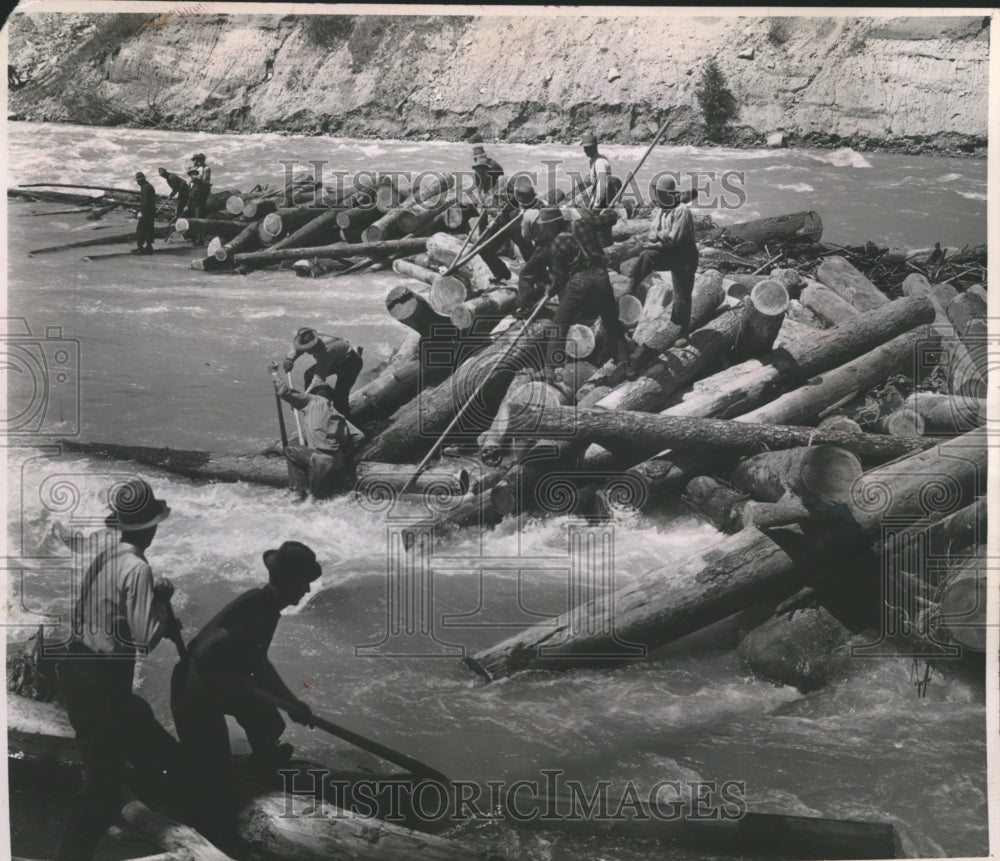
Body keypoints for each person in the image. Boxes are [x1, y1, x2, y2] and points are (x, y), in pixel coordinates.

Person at [56, 479, 182, 861]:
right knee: (100, 787)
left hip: (75, 667)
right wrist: (161, 605)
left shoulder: (105, 555)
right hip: (102, 679)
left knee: (139, 719)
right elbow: (144, 641)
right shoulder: (138, 568)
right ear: (152, 528)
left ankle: (158, 802)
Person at [170, 541, 321, 837]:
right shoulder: (258, 609)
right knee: (213, 780)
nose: (307, 590)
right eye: (304, 583)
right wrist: (233, 682)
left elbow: (259, 662)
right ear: (290, 581)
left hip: (216, 685)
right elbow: (204, 653)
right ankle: (196, 833)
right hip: (194, 691)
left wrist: (291, 703)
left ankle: (259, 767)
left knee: (269, 720)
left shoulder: (266, 606)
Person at [522, 206, 633, 378]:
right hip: (601, 276)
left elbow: (560, 279)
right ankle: (626, 364)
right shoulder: (582, 223)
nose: (544, 229)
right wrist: (610, 212)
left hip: (580, 281)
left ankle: (550, 369)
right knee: (611, 320)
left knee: (560, 323)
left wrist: (550, 292)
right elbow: (609, 219)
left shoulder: (557, 243)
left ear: (553, 224)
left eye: (545, 226)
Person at [268, 370, 365, 499]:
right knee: (321, 500)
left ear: (314, 394)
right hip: (337, 461)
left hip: (321, 462)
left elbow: (283, 391)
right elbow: (359, 436)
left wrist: (274, 373)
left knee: (290, 450)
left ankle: (298, 491)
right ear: (330, 398)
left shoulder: (311, 400)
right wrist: (345, 455)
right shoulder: (336, 413)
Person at [628, 174, 699, 331]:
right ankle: (631, 288)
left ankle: (683, 330)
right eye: (657, 193)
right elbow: (654, 234)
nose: (658, 197)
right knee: (646, 256)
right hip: (667, 251)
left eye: (660, 193)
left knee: (682, 294)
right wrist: (657, 240)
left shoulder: (682, 211)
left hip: (684, 256)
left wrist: (657, 240)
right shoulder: (660, 209)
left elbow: (674, 239)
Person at [280, 328, 363, 417]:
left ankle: (346, 421)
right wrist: (290, 359)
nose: (306, 351)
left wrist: (301, 399)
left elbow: (318, 380)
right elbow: (298, 348)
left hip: (350, 364)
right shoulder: (313, 337)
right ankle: (312, 405)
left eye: (308, 349)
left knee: (340, 401)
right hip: (336, 360)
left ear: (315, 345)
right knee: (309, 374)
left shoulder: (325, 352)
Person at [580, 132, 622, 246]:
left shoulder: (600, 162)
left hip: (603, 199)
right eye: (585, 148)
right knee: (600, 229)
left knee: (601, 229)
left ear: (595, 147)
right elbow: (590, 180)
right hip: (600, 198)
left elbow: (602, 184)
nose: (586, 150)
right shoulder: (595, 160)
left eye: (588, 148)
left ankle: (606, 249)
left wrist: (597, 205)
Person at [187, 153, 211, 245]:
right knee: (194, 215)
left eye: (198, 160)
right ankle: (195, 236)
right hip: (195, 193)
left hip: (201, 194)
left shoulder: (206, 169)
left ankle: (199, 238)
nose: (196, 162)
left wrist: (197, 180)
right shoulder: (196, 169)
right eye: (196, 160)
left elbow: (205, 182)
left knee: (198, 216)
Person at [133, 172, 156, 254]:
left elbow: (145, 201)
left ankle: (140, 247)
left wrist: (141, 212)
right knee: (149, 229)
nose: (137, 182)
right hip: (151, 210)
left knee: (140, 229)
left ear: (141, 180)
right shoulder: (147, 186)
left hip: (147, 211)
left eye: (138, 181)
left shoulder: (145, 187)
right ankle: (149, 247)